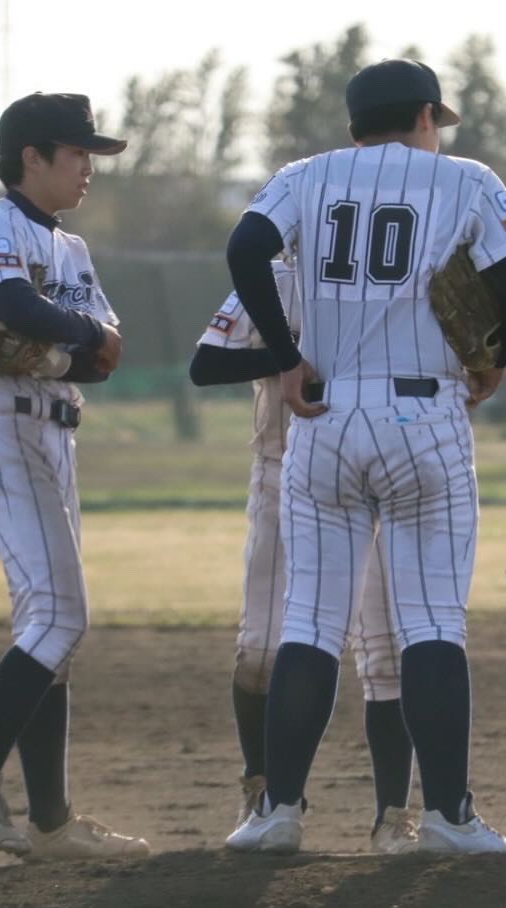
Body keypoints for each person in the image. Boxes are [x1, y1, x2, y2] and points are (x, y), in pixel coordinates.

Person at [222, 58, 506, 855]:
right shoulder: (464, 179)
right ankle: (448, 818)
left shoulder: (305, 175)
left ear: (354, 125)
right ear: (427, 116)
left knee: (309, 621)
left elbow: (246, 248)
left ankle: (277, 813)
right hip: (423, 412)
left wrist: (288, 355)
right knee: (430, 622)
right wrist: (492, 355)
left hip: (325, 414)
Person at [0, 92, 149, 862]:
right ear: (33, 156)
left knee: (48, 628)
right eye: (77, 152)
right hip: (1, 427)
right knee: (61, 616)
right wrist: (77, 336)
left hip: (54, 435)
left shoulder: (71, 249)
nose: (88, 166)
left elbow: (104, 357)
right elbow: (9, 301)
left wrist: (67, 345)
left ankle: (51, 822)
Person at [188, 261, 418, 853]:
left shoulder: (396, 270)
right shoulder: (277, 278)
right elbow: (206, 364)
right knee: (261, 652)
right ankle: (265, 795)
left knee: (387, 653)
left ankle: (393, 817)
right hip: (280, 470)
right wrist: (287, 359)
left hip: (379, 476)